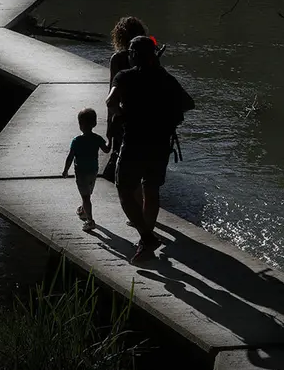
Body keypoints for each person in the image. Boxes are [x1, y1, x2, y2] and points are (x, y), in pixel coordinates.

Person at [106, 36, 195, 262]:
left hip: (134, 142)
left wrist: (121, 114)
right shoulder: (165, 79)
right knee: (151, 189)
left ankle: (146, 237)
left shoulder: (125, 77)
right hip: (160, 144)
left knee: (125, 191)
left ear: (133, 55)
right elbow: (188, 103)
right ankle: (146, 242)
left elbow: (110, 101)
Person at [103, 16, 148, 183]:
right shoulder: (150, 58)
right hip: (146, 115)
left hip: (123, 114)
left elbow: (111, 97)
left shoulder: (117, 58)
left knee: (118, 161)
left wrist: (110, 127)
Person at [63, 108, 111, 231]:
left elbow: (70, 157)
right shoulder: (97, 138)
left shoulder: (77, 140)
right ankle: (84, 209)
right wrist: (111, 140)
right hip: (93, 171)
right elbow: (106, 150)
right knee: (87, 193)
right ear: (94, 124)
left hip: (81, 172)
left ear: (80, 125)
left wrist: (65, 170)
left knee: (85, 196)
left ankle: (90, 220)